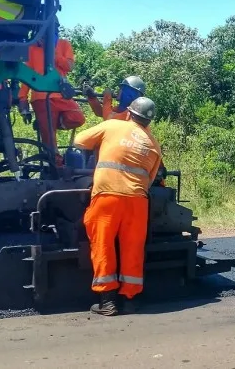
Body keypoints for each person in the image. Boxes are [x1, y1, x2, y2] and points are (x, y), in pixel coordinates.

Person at [73, 97, 162, 316]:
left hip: (107, 198)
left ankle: (108, 302)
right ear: (148, 122)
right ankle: (130, 300)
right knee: (132, 250)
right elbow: (149, 180)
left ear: (129, 114)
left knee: (103, 245)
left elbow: (79, 141)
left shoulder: (113, 126)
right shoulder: (154, 145)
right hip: (137, 201)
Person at [17, 18, 85, 163]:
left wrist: (52, 52)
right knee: (49, 138)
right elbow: (26, 77)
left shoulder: (63, 44)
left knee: (78, 118)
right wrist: (22, 101)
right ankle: (56, 164)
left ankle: (50, 124)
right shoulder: (31, 49)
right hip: (40, 98)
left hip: (61, 94)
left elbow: (69, 66)